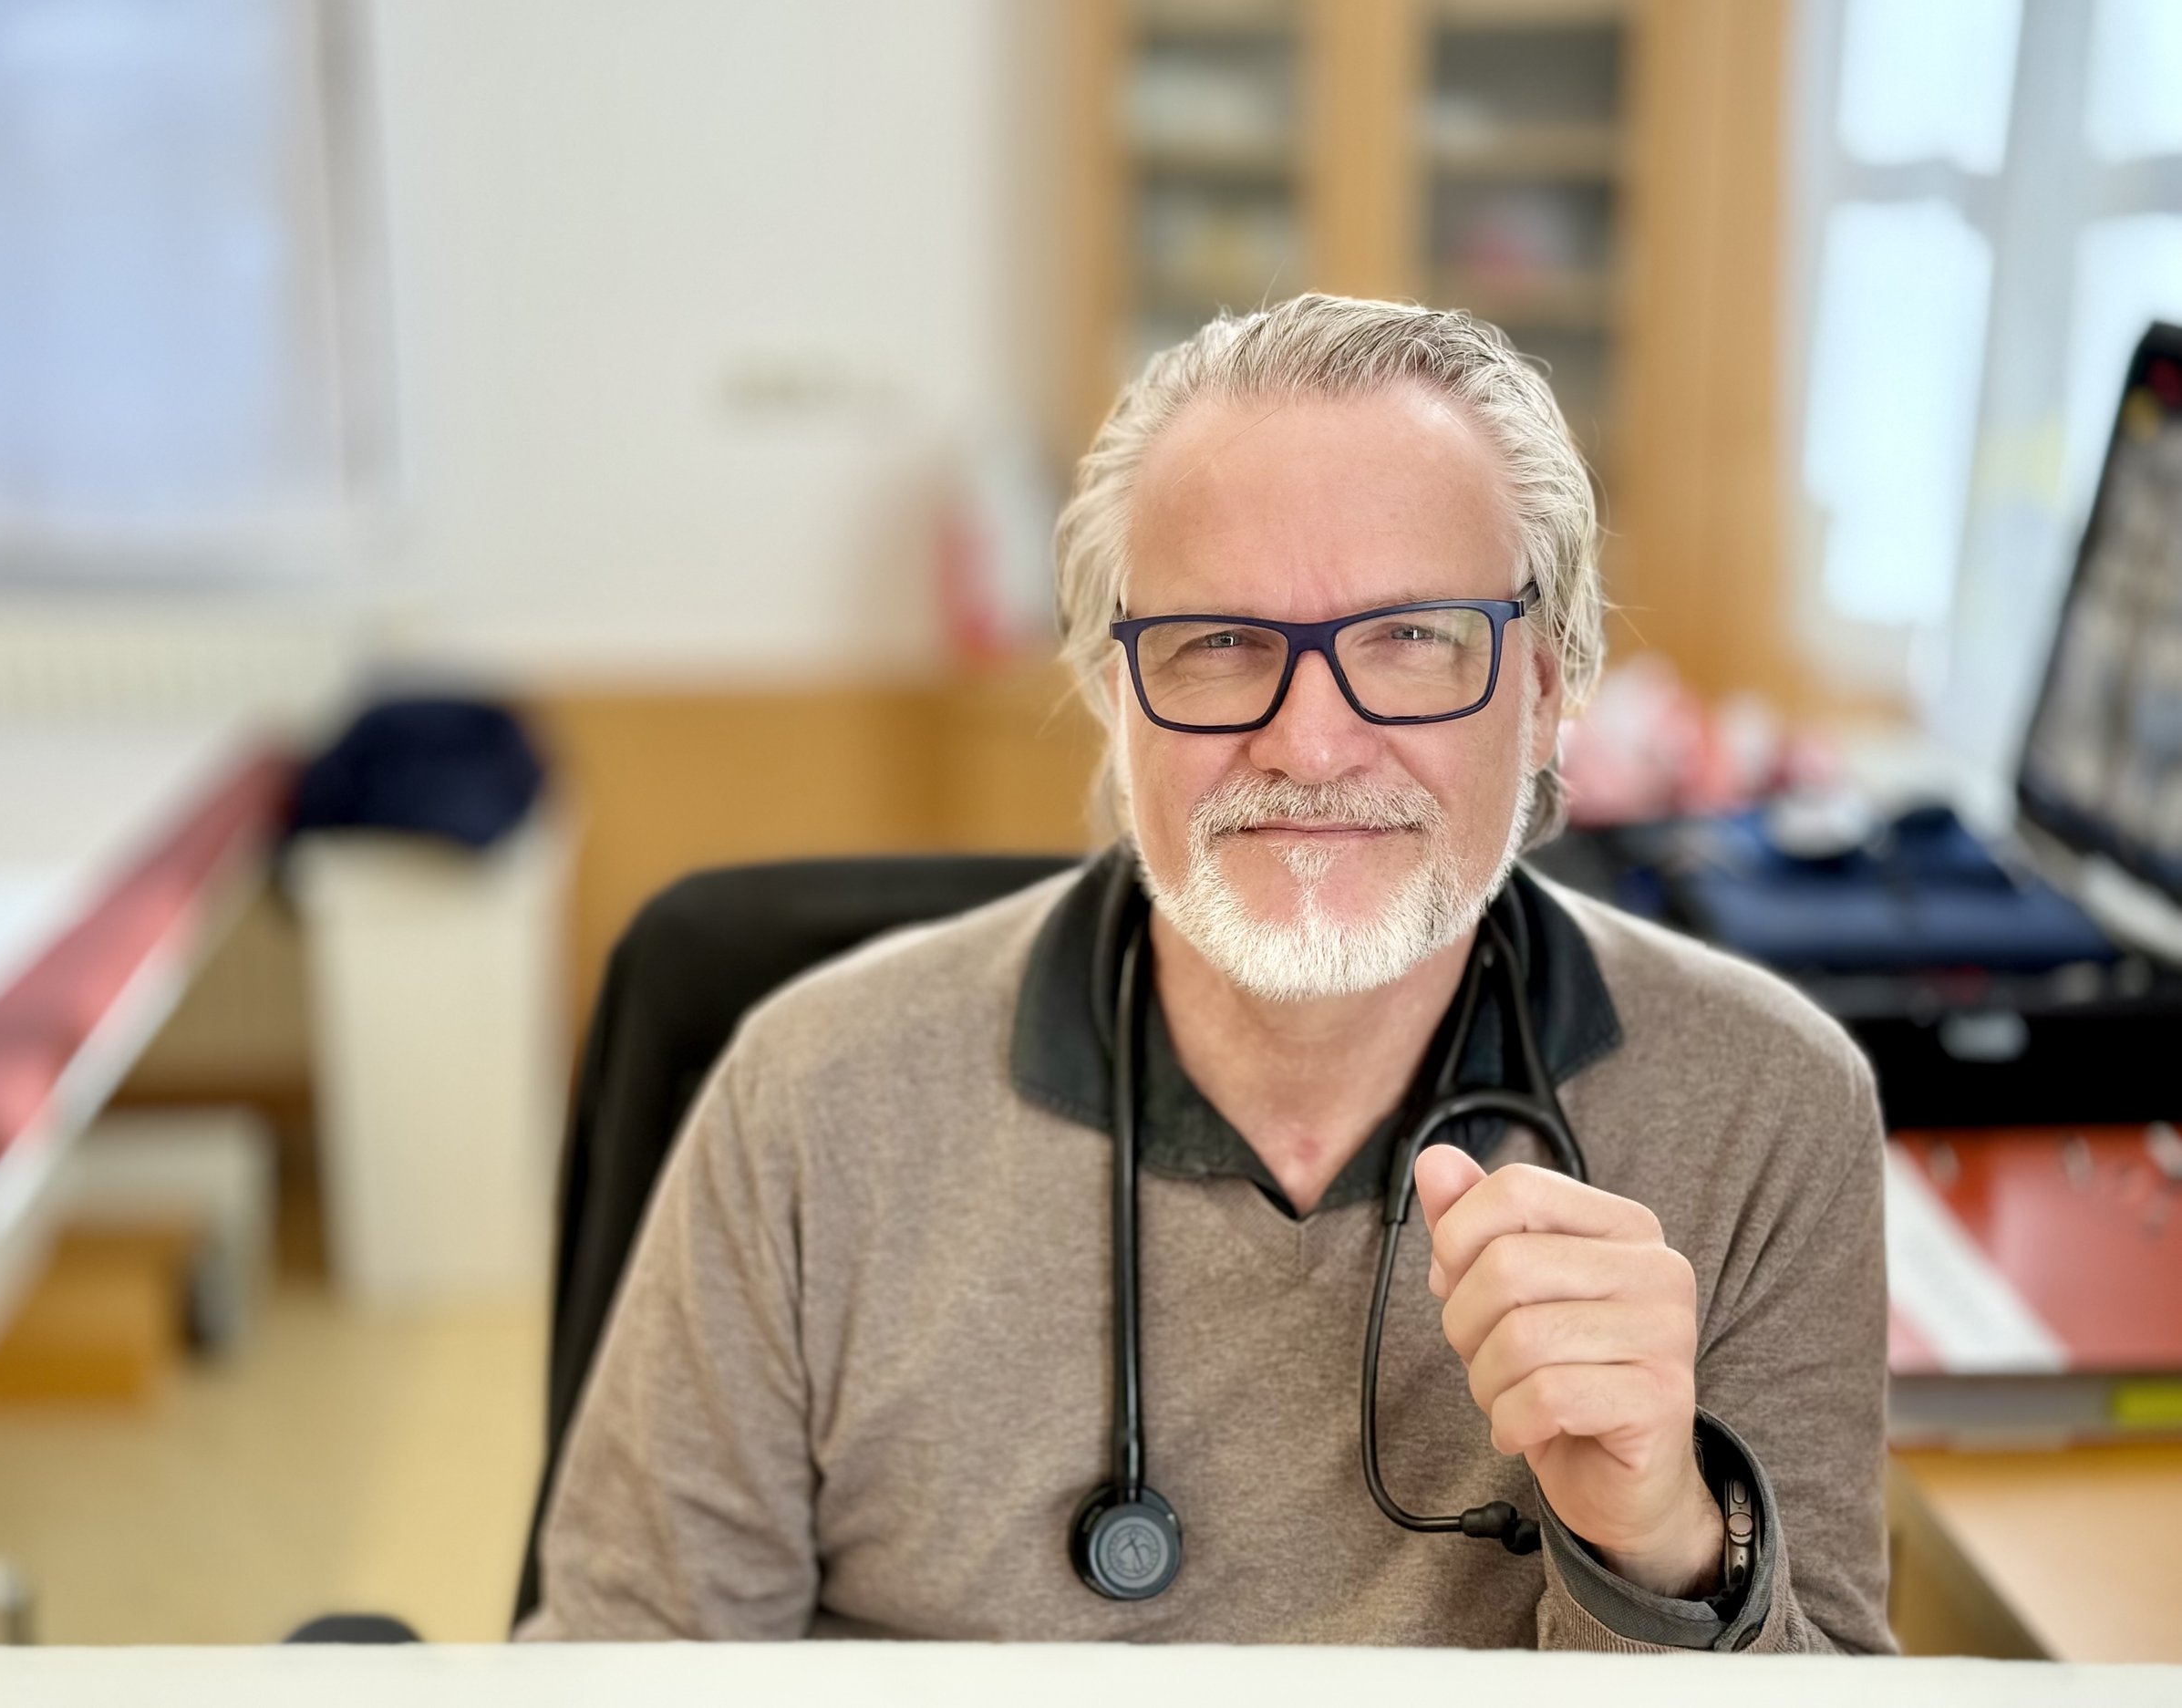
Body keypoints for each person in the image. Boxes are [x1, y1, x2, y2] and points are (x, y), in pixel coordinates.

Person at [520, 295, 1892, 1652]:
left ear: (1544, 686)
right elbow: (624, 1668)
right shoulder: (810, 1103)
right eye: (1219, 643)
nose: (1309, 742)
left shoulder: (1765, 1113)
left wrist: (1661, 1540)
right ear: (1114, 694)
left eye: (1411, 637)